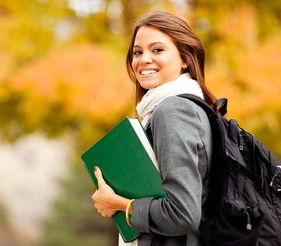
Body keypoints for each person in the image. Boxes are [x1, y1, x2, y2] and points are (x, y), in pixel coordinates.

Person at [91, 11, 217, 246]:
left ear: (184, 59)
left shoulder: (173, 111)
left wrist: (118, 204)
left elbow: (183, 214)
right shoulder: (193, 108)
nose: (144, 59)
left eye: (157, 50)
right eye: (137, 52)